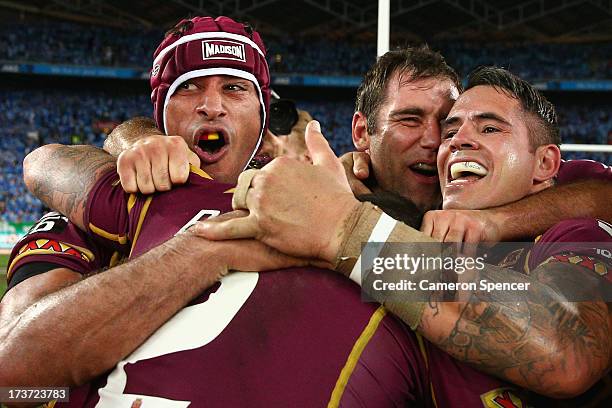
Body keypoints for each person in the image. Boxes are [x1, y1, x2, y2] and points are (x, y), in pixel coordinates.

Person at [193, 67, 612, 401]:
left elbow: (568, 352)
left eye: (489, 129)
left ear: (545, 165)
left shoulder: (574, 229)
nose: (452, 142)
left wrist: (348, 231)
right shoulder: (409, 219)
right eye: (452, 131)